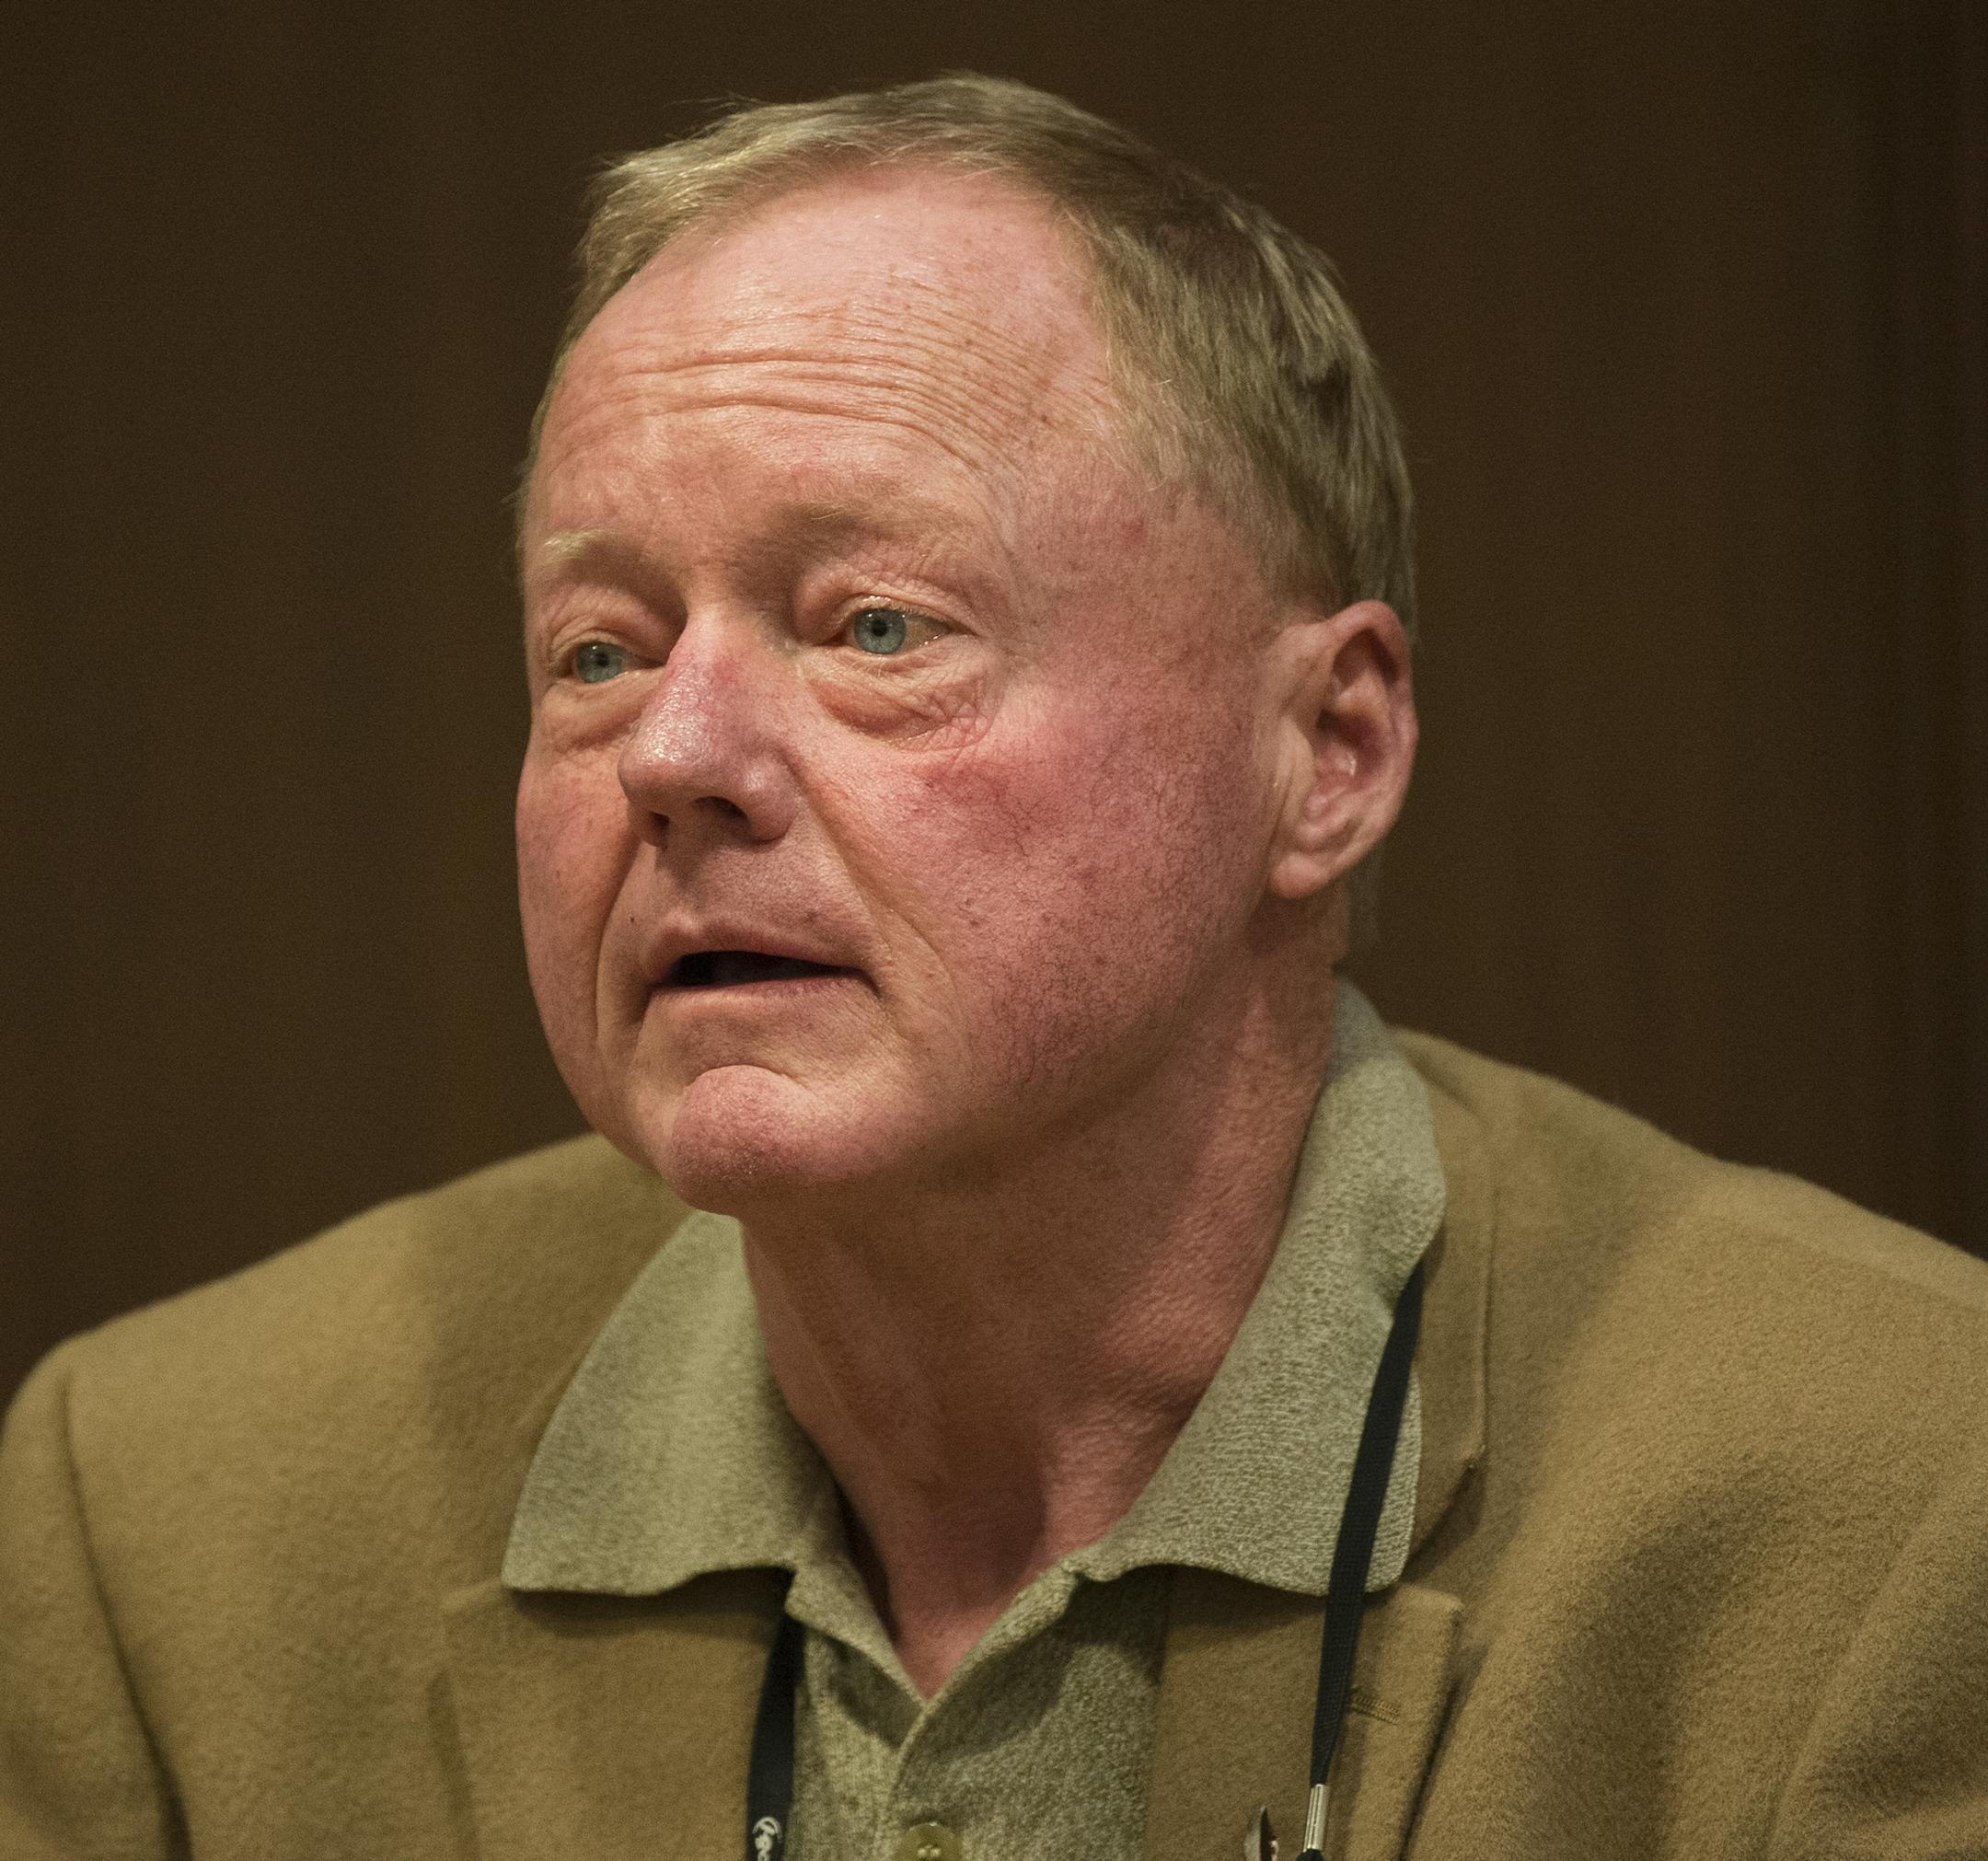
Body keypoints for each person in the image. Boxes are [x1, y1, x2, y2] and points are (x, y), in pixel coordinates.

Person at [4, 74, 1984, 1861]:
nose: (674, 755)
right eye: (598, 651)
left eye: (877, 626)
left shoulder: (1901, 1498)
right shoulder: (156, 1525)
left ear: (1327, 751)